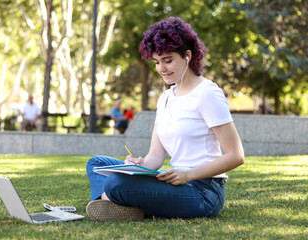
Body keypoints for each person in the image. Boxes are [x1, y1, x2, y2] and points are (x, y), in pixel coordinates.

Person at [85, 17, 244, 221]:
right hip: (172, 180)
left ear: (187, 56)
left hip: (203, 190)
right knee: (96, 163)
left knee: (116, 183)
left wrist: (188, 175)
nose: (161, 69)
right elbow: (155, 157)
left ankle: (111, 200)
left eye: (168, 60)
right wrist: (139, 164)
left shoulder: (207, 94)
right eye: (157, 62)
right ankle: (122, 205)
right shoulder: (165, 98)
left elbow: (236, 155)